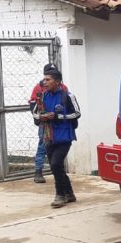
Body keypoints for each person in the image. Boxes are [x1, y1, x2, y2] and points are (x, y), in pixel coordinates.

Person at [31, 69, 80, 208]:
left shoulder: (68, 96)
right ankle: (69, 193)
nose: (44, 82)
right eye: (44, 80)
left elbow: (77, 113)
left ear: (57, 82)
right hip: (48, 136)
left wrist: (58, 116)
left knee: (55, 164)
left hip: (64, 137)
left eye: (48, 79)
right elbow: (34, 113)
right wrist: (42, 117)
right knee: (56, 166)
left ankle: (60, 195)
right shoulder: (42, 96)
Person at [29, 63, 66, 183]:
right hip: (45, 123)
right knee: (43, 145)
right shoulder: (39, 88)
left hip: (59, 123)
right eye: (48, 73)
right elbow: (33, 104)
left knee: (60, 146)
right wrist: (39, 119)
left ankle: (58, 170)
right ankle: (38, 171)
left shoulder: (63, 88)